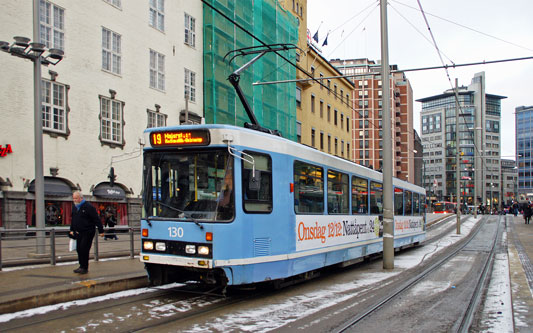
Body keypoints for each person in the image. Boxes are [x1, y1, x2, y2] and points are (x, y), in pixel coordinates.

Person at [70, 191, 104, 274]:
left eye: (76, 198)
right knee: (79, 249)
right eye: (73, 198)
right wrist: (72, 229)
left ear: (81, 198)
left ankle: (84, 267)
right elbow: (73, 219)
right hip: (78, 232)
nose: (74, 200)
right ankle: (81, 265)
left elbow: (96, 219)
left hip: (88, 232)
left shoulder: (88, 207)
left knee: (84, 249)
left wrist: (101, 230)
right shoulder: (75, 207)